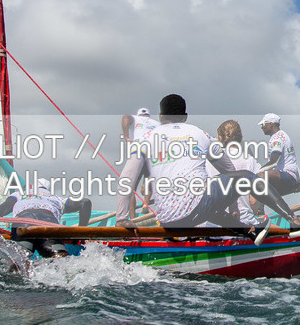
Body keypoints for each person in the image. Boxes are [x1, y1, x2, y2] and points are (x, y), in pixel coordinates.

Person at [115, 94, 283, 228]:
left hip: (176, 221)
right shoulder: (199, 134)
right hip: (203, 214)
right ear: (185, 117)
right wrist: (237, 208)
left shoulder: (146, 139)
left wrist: (121, 218)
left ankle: (244, 230)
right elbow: (237, 179)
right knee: (244, 182)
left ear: (160, 116)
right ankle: (289, 220)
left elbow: (126, 181)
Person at [257, 113, 300, 200]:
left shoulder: (277, 139)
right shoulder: (282, 135)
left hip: (288, 176)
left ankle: (259, 210)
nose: (262, 127)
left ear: (271, 124)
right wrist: (299, 181)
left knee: (258, 178)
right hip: (291, 176)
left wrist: (256, 173)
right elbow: (293, 161)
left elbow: (273, 162)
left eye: (263, 124)